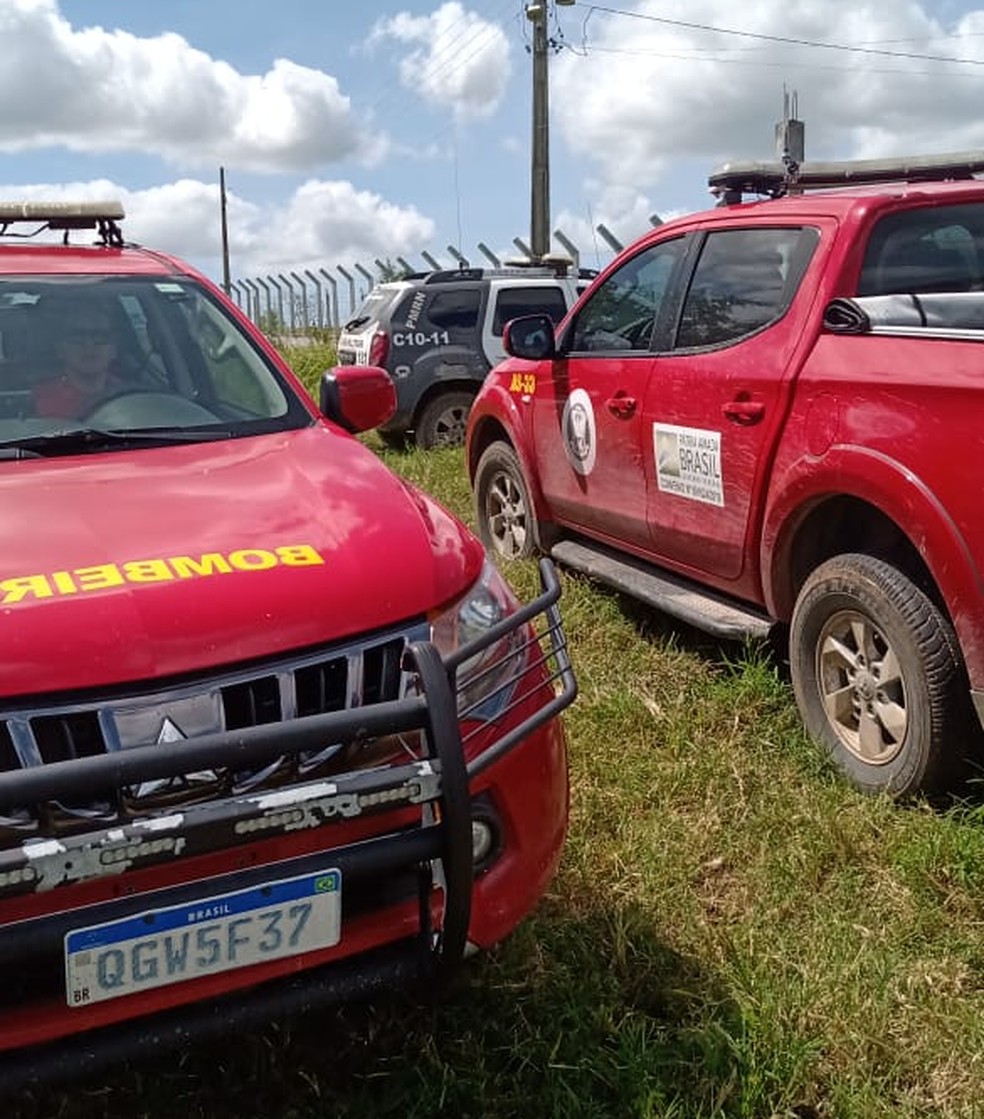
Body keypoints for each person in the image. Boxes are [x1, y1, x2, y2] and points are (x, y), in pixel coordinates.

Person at [34, 306, 122, 419]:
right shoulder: (40, 401)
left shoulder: (131, 396)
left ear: (114, 350)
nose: (89, 345)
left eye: (100, 337)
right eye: (77, 337)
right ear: (59, 350)